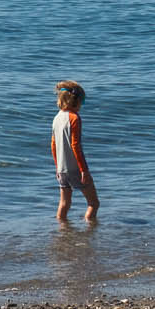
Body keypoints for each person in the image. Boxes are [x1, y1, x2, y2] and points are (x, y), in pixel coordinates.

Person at [51, 81, 99, 224]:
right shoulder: (74, 118)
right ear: (75, 101)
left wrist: (57, 167)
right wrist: (84, 170)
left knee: (64, 204)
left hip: (61, 169)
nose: (81, 106)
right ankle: (90, 233)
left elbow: (53, 145)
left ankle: (63, 233)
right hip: (75, 169)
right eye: (82, 101)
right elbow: (75, 146)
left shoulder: (57, 118)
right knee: (93, 203)